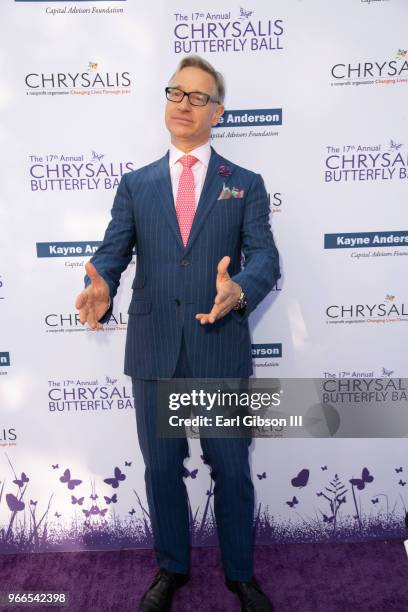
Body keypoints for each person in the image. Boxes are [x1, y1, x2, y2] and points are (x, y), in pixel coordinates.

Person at [75, 55, 280, 612]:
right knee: (162, 468)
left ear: (218, 111)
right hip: (155, 347)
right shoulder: (136, 184)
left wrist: (238, 289)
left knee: (232, 469)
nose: (184, 104)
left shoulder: (245, 184)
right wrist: (100, 285)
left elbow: (264, 257)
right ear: (167, 102)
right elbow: (112, 253)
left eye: (198, 97)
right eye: (176, 93)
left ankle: (241, 575)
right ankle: (172, 570)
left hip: (218, 348)